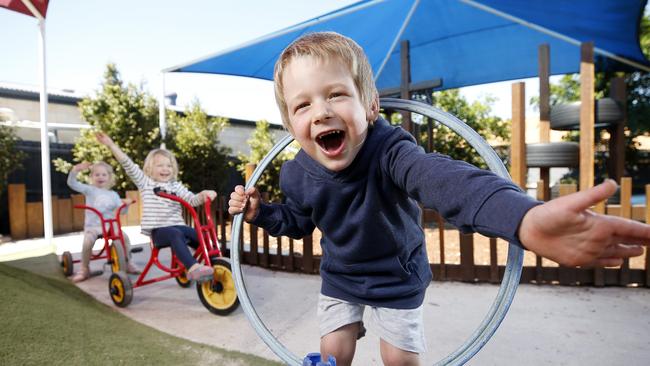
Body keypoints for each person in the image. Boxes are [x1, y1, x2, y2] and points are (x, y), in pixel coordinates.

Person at [228, 32, 650, 366]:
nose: (320, 112)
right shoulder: (297, 172)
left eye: (336, 94)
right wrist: (261, 212)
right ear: (290, 125)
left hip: (397, 275)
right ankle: (343, 340)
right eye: (303, 105)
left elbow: (447, 182)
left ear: (371, 105)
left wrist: (522, 219)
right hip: (341, 277)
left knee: (398, 359)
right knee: (332, 353)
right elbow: (299, 223)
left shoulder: (392, 152)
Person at [96, 132, 216, 282]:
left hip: (178, 226)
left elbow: (191, 199)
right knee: (175, 234)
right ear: (149, 169)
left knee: (201, 236)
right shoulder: (146, 183)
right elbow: (128, 164)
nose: (165, 169)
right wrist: (111, 145)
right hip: (159, 231)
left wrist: (203, 195)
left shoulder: (175, 185)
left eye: (169, 165)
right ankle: (192, 268)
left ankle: (216, 263)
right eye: (160, 165)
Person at [67, 161, 140, 282]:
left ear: (109, 178)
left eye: (103, 175)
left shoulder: (113, 195)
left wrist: (126, 205)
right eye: (97, 174)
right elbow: (72, 183)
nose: (100, 177)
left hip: (110, 225)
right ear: (91, 177)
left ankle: (128, 262)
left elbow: (121, 211)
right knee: (87, 242)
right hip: (93, 226)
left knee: (124, 238)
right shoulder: (89, 190)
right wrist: (76, 170)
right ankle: (84, 268)